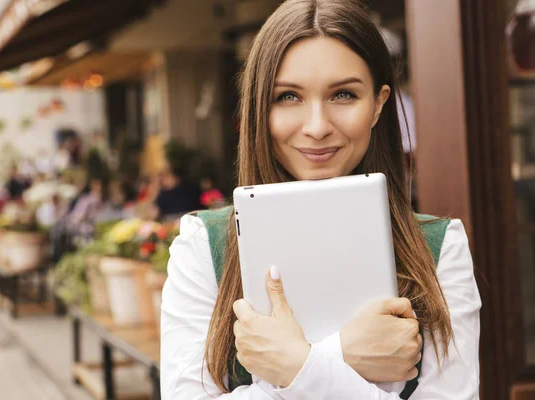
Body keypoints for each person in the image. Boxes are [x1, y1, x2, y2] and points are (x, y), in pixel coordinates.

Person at [160, 1, 481, 399]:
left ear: (379, 104)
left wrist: (294, 367)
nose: (317, 127)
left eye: (343, 95)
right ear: (259, 106)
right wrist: (336, 357)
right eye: (289, 97)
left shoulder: (439, 248)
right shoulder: (203, 244)